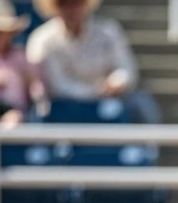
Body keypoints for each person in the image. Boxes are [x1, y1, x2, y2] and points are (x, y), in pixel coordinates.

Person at [26, 0, 159, 123]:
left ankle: (146, 147)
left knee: (142, 103)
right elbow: (57, 85)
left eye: (77, 2)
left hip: (108, 102)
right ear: (56, 7)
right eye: (65, 3)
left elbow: (126, 69)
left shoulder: (109, 30)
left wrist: (117, 82)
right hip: (63, 106)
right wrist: (97, 91)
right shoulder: (42, 39)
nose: (72, 9)